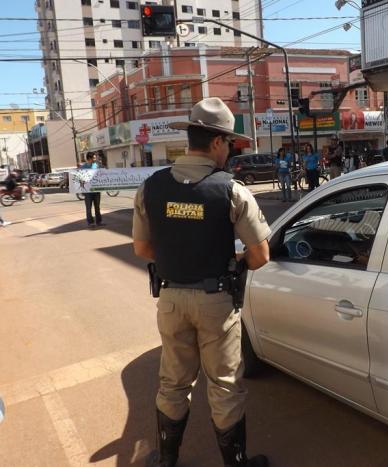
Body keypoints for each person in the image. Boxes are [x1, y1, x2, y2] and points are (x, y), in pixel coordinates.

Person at [132, 97, 271, 467]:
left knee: (173, 383)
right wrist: (233, 258)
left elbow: (143, 247)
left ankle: (166, 461)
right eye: (228, 143)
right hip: (216, 302)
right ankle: (236, 463)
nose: (229, 150)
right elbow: (260, 257)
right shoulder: (232, 190)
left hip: (171, 300)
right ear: (215, 143)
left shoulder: (151, 187)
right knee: (224, 386)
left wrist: (179, 253)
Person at [80, 153, 104, 227]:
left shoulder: (96, 166)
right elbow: (80, 178)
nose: (95, 159)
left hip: (96, 190)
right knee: (88, 207)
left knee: (97, 207)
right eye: (94, 158)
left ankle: (98, 222)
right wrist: (82, 190)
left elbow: (104, 172)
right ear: (89, 159)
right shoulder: (83, 167)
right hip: (88, 191)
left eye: (95, 158)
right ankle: (90, 222)